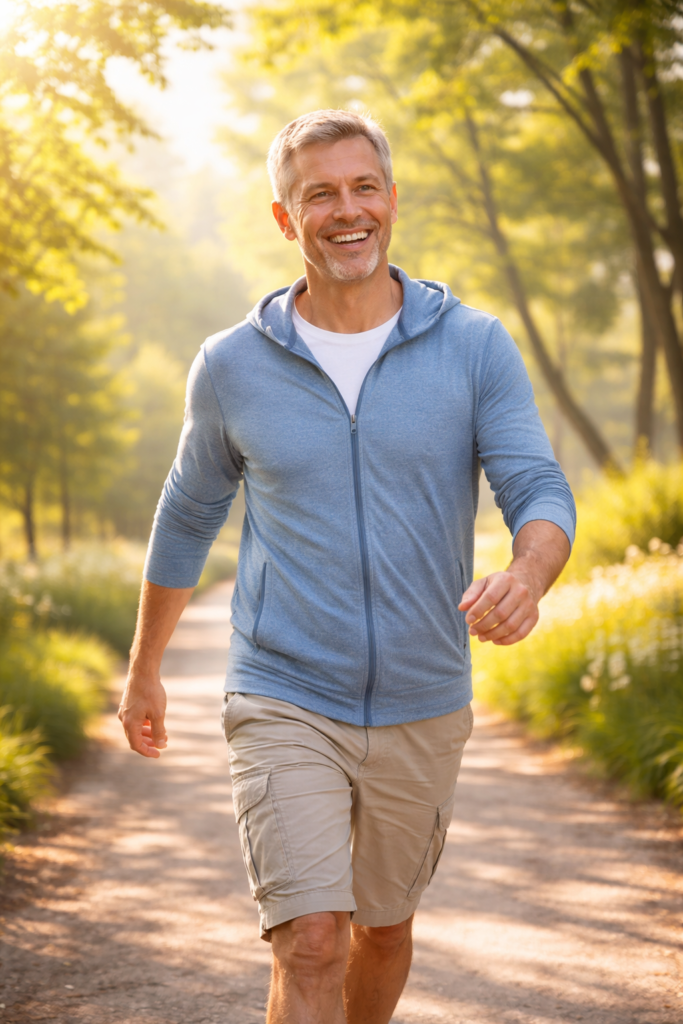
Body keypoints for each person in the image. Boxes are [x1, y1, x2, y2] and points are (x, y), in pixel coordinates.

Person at [119, 109, 575, 1024]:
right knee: (312, 937)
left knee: (383, 929)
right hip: (283, 685)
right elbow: (188, 513)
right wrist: (144, 667)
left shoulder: (472, 344)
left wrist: (526, 576)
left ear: (391, 201)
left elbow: (536, 486)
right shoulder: (231, 366)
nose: (346, 209)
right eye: (318, 194)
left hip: (423, 693)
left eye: (363, 187)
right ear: (286, 220)